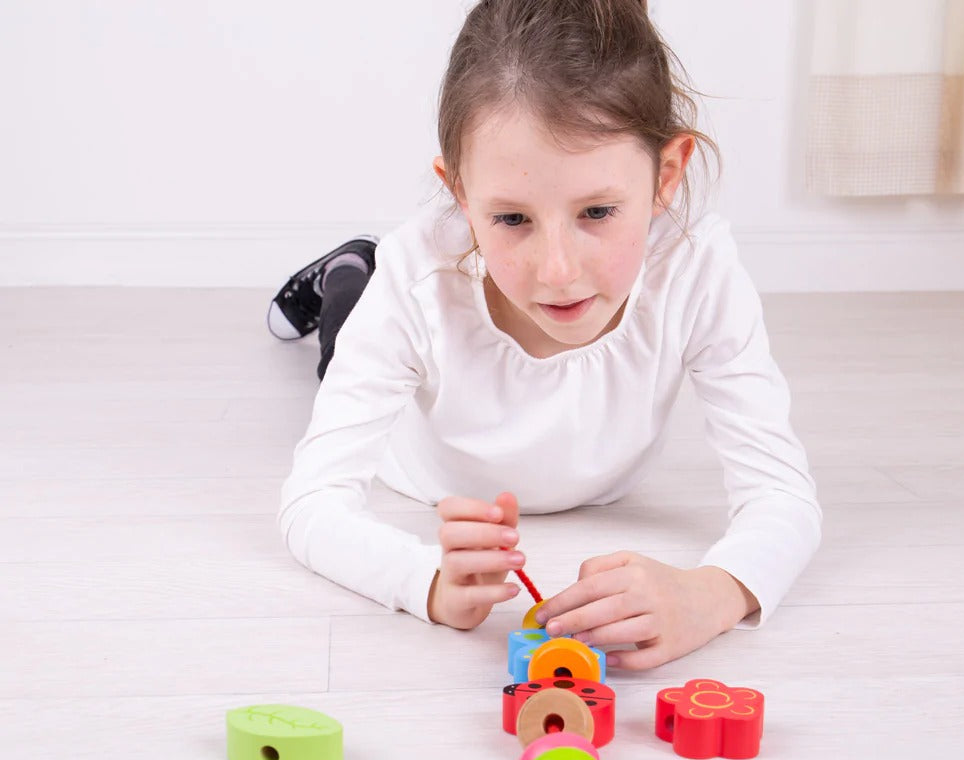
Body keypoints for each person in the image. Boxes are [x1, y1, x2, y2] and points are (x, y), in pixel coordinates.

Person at [269, 0, 821, 670]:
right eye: (511, 219)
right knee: (344, 341)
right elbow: (311, 505)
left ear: (667, 175)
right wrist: (427, 583)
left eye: (597, 211)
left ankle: (358, 263)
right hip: (413, 463)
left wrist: (712, 594)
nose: (558, 273)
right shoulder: (420, 278)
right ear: (461, 196)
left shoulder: (699, 270)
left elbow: (783, 496)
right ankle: (347, 272)